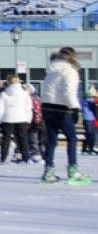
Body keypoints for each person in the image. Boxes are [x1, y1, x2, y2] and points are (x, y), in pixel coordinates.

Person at [39, 47, 90, 185]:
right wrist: (74, 108)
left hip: (47, 106)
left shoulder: (50, 71)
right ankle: (73, 169)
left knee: (51, 140)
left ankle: (48, 170)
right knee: (72, 138)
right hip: (62, 108)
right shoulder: (70, 72)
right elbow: (68, 92)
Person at [0, 75, 32, 163]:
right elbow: (28, 106)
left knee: (6, 139)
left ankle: (3, 158)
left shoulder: (4, 93)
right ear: (19, 82)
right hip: (22, 117)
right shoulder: (24, 93)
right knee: (23, 138)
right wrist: (28, 118)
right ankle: (26, 157)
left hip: (8, 118)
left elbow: (0, 107)